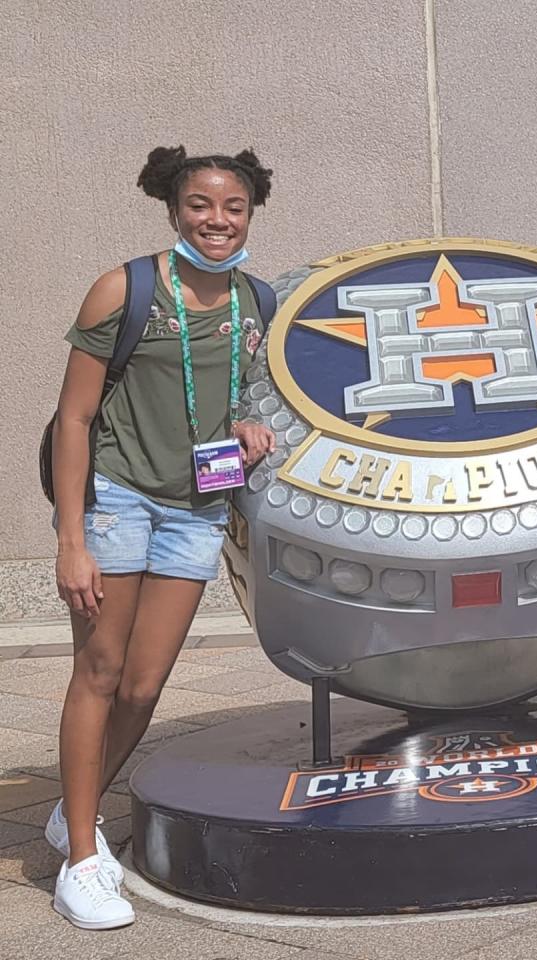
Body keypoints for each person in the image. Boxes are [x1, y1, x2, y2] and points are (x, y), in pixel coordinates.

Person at [48, 145, 277, 928]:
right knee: (102, 668)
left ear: (251, 213)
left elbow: (250, 399)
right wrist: (70, 538)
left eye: (233, 208)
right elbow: (75, 419)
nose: (216, 221)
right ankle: (82, 856)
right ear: (174, 209)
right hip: (118, 498)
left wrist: (249, 426)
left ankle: (73, 807)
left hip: (197, 506)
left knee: (145, 684)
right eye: (201, 206)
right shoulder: (128, 287)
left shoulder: (258, 302)